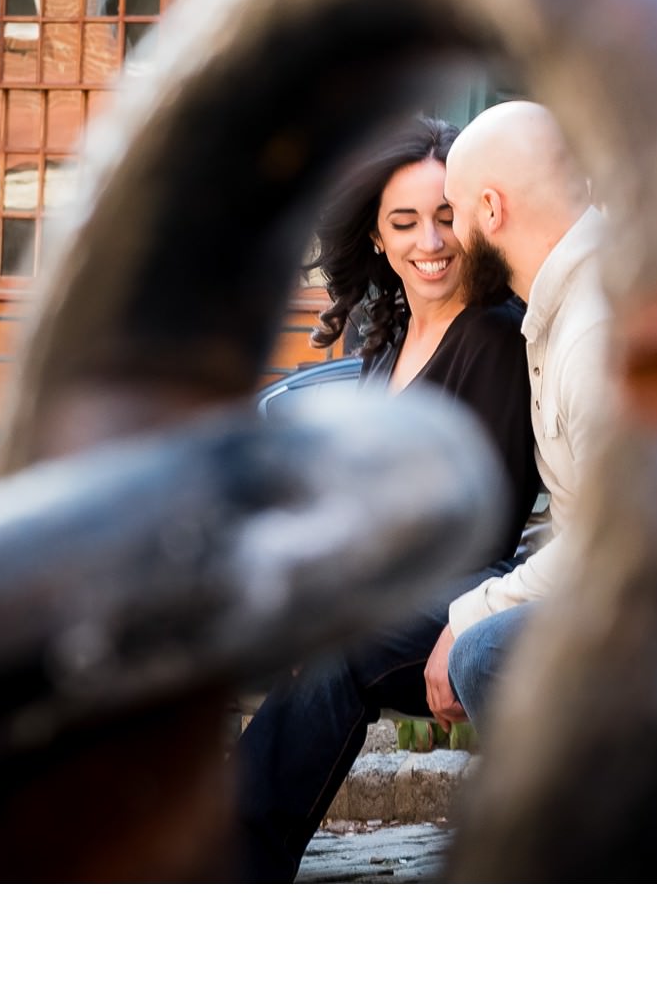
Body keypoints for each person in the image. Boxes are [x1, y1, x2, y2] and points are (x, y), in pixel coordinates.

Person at [232, 115, 541, 883]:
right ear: (376, 237)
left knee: (336, 648)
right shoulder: (390, 342)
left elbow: (481, 518)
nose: (429, 241)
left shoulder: (496, 336)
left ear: (475, 218)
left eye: (445, 217)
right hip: (389, 588)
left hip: (473, 593)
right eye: (404, 222)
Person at [424, 99, 614, 736]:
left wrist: (471, 613)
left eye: (453, 213)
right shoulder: (561, 307)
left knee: (485, 652)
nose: (447, 237)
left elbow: (615, 544)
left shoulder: (598, 331)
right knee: (401, 621)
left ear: (492, 210)